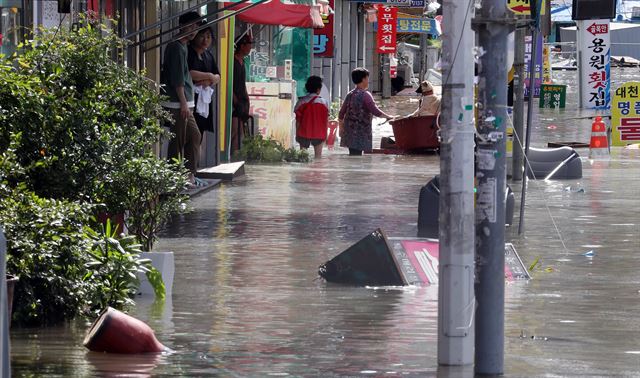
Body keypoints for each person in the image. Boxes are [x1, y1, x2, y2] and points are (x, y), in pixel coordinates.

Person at [161, 11, 202, 188]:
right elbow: (177, 79)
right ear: (182, 25)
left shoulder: (183, 46)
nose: (194, 30)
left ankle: (188, 174)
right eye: (191, 25)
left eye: (196, 26)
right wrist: (183, 102)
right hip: (177, 102)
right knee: (178, 139)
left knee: (194, 136)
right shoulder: (176, 47)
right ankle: (175, 175)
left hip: (184, 101)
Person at [338, 67, 394, 156]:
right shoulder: (366, 95)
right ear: (364, 79)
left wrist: (341, 128)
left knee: (353, 155)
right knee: (358, 157)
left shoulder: (350, 94)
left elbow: (341, 113)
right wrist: (388, 116)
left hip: (349, 132)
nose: (368, 81)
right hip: (361, 132)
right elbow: (375, 111)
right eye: (367, 78)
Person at [187, 22, 221, 143]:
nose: (205, 40)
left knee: (199, 134)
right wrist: (208, 76)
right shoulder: (188, 52)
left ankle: (194, 161)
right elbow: (189, 73)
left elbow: (218, 76)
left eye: (208, 36)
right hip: (189, 99)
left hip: (204, 101)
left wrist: (210, 80)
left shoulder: (208, 56)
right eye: (202, 36)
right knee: (190, 135)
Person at [294, 76, 329, 159]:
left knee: (302, 157)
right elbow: (326, 120)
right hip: (319, 134)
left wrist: (297, 134)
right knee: (318, 158)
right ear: (318, 89)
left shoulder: (301, 102)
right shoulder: (324, 103)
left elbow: (298, 120)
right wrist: (326, 136)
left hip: (303, 133)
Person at [231, 34, 253, 155]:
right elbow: (229, 83)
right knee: (233, 131)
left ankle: (234, 156)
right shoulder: (232, 62)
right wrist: (234, 100)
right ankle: (229, 155)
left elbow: (242, 83)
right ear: (242, 45)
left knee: (240, 132)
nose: (250, 48)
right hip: (234, 102)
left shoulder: (242, 62)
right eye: (249, 45)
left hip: (241, 101)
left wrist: (246, 99)